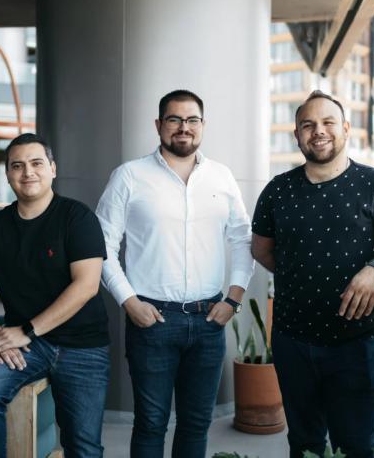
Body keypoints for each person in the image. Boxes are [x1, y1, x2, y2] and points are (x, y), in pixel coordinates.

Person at [251, 90, 374, 458]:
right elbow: (260, 249)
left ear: (344, 129)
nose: (318, 131)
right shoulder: (278, 190)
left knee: (357, 448)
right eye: (308, 125)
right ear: (297, 135)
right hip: (292, 340)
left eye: (327, 123)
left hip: (354, 345)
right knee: (304, 445)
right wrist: (302, 272)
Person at [96, 89, 255, 458]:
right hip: (151, 320)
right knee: (151, 423)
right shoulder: (129, 176)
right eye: (174, 119)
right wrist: (128, 301)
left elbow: (242, 240)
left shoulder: (222, 177)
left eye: (192, 120)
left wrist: (234, 298)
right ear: (159, 125)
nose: (184, 128)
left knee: (196, 424)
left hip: (209, 319)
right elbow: (101, 246)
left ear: (202, 126)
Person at [0, 133, 110, 458]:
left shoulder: (77, 217)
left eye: (36, 163)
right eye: (18, 166)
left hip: (82, 344)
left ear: (52, 169)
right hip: (26, 345)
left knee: (83, 445)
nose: (27, 172)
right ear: (8, 175)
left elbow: (86, 285)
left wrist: (26, 329)